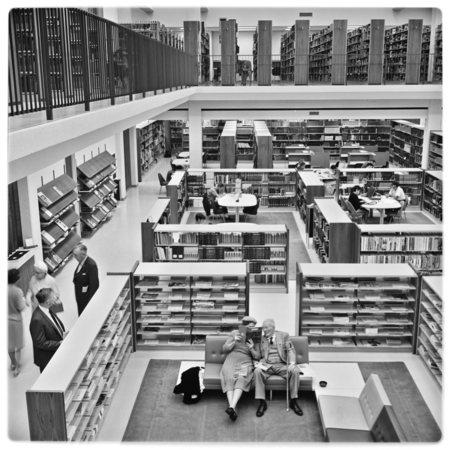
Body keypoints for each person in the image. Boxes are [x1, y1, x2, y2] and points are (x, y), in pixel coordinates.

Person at [254, 319, 303, 417]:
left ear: (273, 328)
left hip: (282, 364)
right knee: (257, 371)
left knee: (295, 370)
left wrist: (292, 363)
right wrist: (255, 356)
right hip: (267, 365)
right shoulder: (260, 339)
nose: (264, 330)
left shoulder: (283, 335)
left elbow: (290, 350)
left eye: (266, 327)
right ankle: (262, 402)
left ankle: (293, 401)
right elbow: (258, 355)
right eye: (263, 328)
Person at [220, 316, 261, 421]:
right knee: (229, 378)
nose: (251, 329)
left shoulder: (256, 339)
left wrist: (251, 348)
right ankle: (232, 407)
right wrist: (234, 341)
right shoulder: (234, 333)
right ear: (244, 326)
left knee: (241, 378)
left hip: (245, 361)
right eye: (249, 326)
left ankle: (232, 407)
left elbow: (257, 356)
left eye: (253, 327)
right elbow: (224, 349)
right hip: (231, 360)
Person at [29, 288, 66, 373]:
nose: (56, 297)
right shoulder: (37, 319)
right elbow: (40, 343)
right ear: (47, 301)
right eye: (53, 296)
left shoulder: (48, 308)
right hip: (48, 358)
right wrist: (59, 343)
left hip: (55, 353)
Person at [8, 269, 30, 377]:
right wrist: (25, 302)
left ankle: (12, 362)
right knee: (17, 345)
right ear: (16, 279)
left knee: (9, 345)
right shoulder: (17, 291)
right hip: (15, 321)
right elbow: (21, 307)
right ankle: (16, 367)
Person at [73, 244, 100, 316]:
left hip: (86, 299)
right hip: (81, 298)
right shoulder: (81, 262)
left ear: (83, 254)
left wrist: (90, 303)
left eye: (76, 255)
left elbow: (94, 285)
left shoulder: (91, 265)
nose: (74, 257)